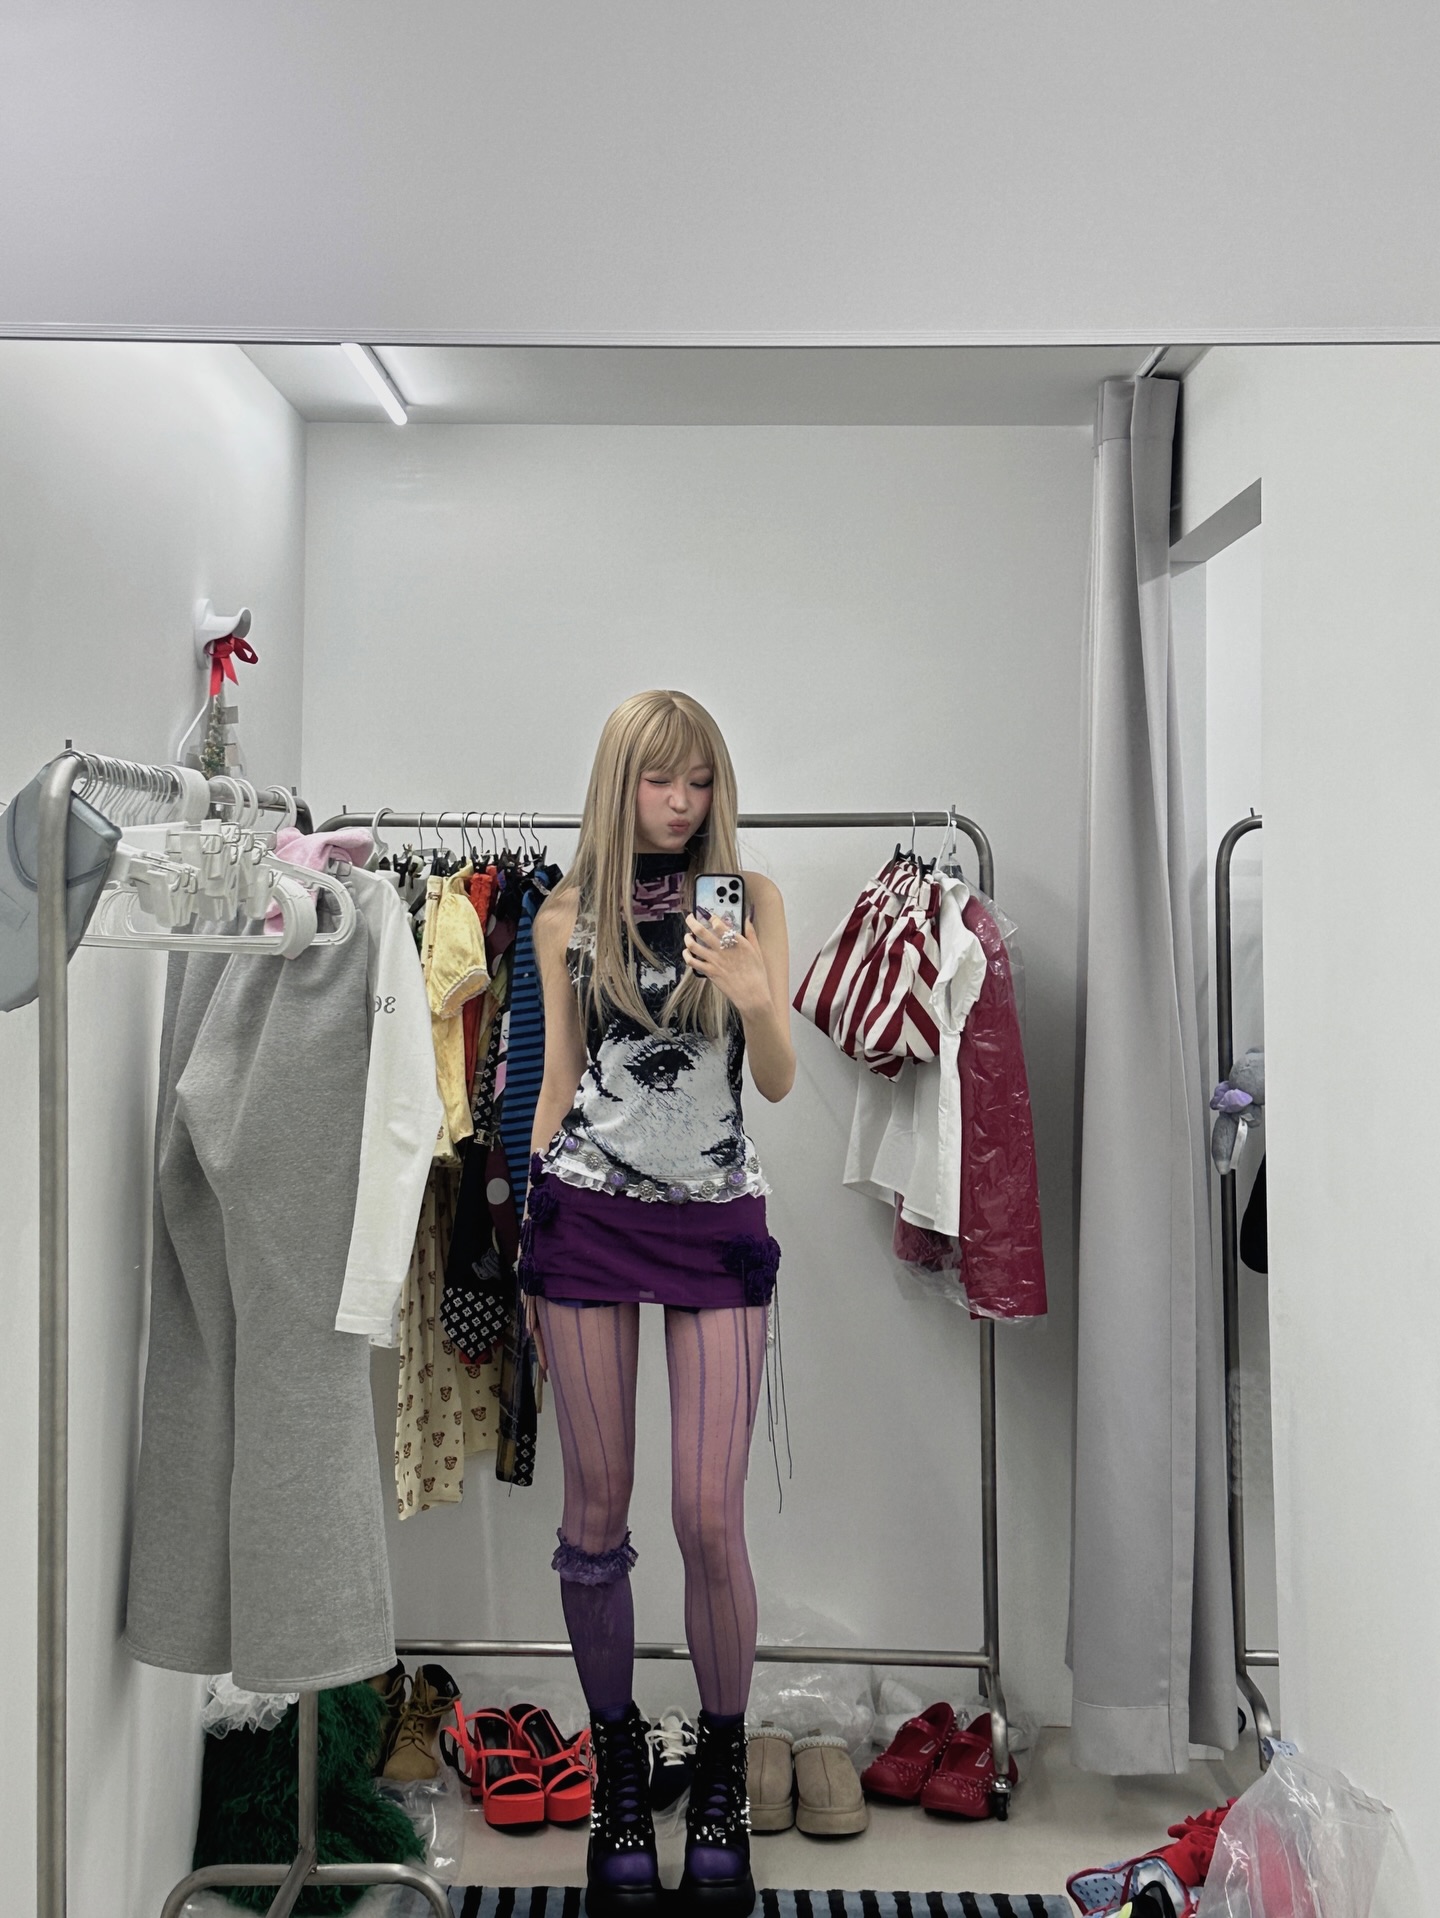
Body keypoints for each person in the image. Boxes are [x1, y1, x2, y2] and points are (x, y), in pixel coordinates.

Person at [520, 689, 794, 1918]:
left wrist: (753, 993)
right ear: (618, 782)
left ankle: (721, 1775)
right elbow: (559, 1082)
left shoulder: (752, 901)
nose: (681, 804)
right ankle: (621, 1777)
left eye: (699, 782)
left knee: (707, 1515)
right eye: (658, 780)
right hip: (584, 1214)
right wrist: (531, 1214)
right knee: (594, 1513)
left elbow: (776, 1082)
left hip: (716, 1220)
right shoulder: (565, 915)